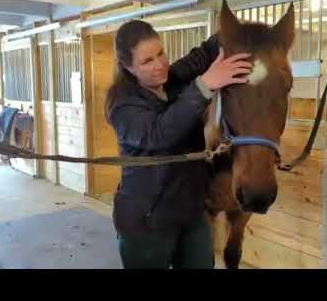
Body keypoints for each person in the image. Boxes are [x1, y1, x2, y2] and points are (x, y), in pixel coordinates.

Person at [105, 20, 252, 269]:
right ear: (129, 68)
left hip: (191, 212)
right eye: (146, 61)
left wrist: (236, 32)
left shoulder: (170, 79)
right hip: (147, 220)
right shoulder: (123, 105)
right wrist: (205, 86)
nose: (159, 64)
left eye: (160, 53)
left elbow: (202, 55)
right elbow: (159, 133)